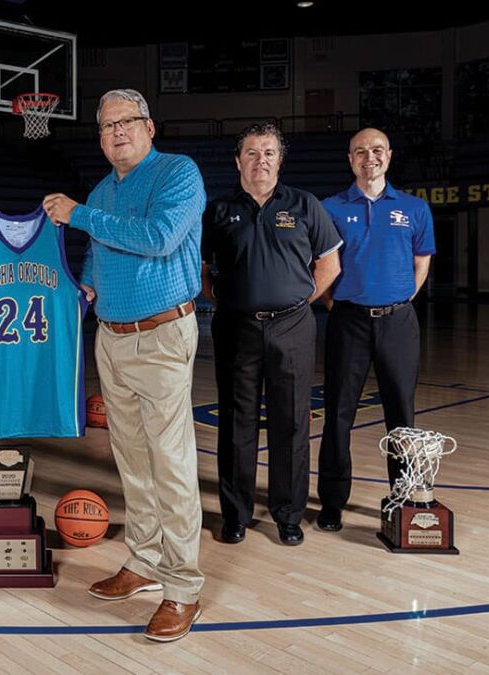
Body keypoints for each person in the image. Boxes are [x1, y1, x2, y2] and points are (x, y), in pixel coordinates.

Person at [40, 88, 206, 643]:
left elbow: (158, 240)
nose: (116, 133)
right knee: (131, 459)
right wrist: (84, 283)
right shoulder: (101, 189)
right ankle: (144, 561)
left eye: (126, 123)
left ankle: (182, 588)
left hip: (161, 335)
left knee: (172, 463)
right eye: (106, 126)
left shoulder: (178, 174)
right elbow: (96, 254)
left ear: (149, 127)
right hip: (110, 338)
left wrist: (80, 214)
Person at [203, 122, 342, 548]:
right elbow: (204, 271)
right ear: (237, 160)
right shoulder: (219, 210)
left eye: (268, 152)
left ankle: (288, 514)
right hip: (236, 328)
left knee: (292, 422)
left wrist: (297, 302)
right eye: (251, 152)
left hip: (292, 327)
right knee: (236, 423)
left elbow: (329, 266)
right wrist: (230, 302)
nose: (259, 160)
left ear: (279, 160)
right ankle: (236, 514)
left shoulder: (304, 205)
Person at [316, 128, 435, 532]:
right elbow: (320, 266)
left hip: (399, 322)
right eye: (361, 151)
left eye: (378, 150)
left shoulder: (415, 209)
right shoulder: (329, 208)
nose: (370, 157)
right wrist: (340, 304)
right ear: (350, 159)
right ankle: (331, 503)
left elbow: (422, 263)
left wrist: (398, 300)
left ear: (390, 156)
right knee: (338, 414)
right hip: (348, 320)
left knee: (402, 415)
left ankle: (403, 497)